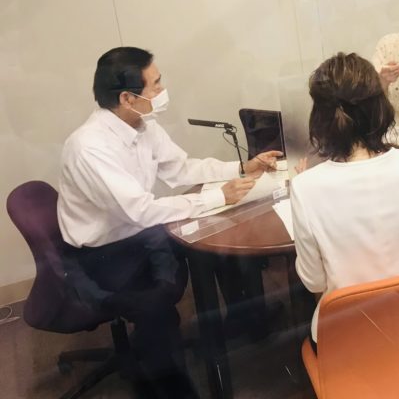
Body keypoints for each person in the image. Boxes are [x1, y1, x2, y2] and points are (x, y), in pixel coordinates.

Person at [57, 47, 282, 398]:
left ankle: (245, 323)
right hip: (103, 255)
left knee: (220, 243)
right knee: (157, 311)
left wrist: (241, 168)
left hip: (139, 234)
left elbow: (180, 169)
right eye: (156, 84)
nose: (163, 90)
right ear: (127, 97)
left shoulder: (142, 125)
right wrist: (217, 197)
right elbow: (140, 211)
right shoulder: (90, 148)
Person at [290, 52, 399, 343]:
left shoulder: (305, 187)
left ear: (319, 119)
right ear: (381, 108)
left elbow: (314, 281)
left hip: (350, 338)